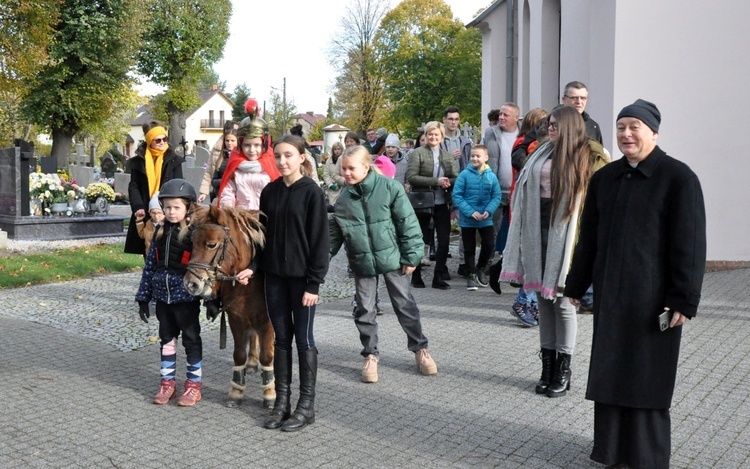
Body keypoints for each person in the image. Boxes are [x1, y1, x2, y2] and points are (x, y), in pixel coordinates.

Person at [564, 99, 706, 467]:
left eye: (634, 127)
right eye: (621, 126)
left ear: (653, 133)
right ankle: (610, 450)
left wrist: (683, 300)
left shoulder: (679, 179)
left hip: (653, 299)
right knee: (612, 373)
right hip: (612, 297)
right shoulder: (605, 178)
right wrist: (576, 286)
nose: (626, 134)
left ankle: (646, 456)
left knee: (646, 378)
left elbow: (689, 246)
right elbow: (588, 237)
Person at [500, 106, 609, 399]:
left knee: (562, 303)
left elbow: (596, 205)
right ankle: (547, 366)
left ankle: (564, 369)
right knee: (542, 302)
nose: (550, 129)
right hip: (538, 231)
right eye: (549, 124)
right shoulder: (542, 152)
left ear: (570, 127)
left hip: (569, 237)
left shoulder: (588, 156)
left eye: (556, 125)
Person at [330, 145, 437, 383]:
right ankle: (370, 355)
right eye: (343, 169)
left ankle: (420, 349)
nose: (346, 173)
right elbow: (333, 238)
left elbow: (407, 223)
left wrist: (412, 256)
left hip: (392, 259)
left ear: (366, 166)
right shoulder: (343, 201)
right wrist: (317, 264)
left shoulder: (390, 188)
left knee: (405, 305)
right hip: (362, 262)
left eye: (351, 168)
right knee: (364, 310)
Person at [259, 134, 330, 432]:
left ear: (302, 157)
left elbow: (320, 242)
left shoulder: (312, 192)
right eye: (278, 156)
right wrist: (253, 267)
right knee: (281, 340)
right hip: (274, 278)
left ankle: (306, 405)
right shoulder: (270, 191)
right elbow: (261, 236)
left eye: (288, 155)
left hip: (302, 281)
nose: (282, 161)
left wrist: (314, 284)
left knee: (304, 340)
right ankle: (282, 403)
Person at [135, 179, 203, 406]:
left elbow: (204, 268)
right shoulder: (159, 233)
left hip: (186, 298)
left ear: (188, 209)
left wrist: (211, 299)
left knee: (192, 341)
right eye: (167, 207)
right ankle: (167, 384)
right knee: (167, 341)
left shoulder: (193, 234)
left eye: (176, 207)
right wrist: (143, 297)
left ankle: (193, 387)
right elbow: (150, 267)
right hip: (163, 298)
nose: (171, 212)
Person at [507, 107, 549, 327]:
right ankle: (524, 301)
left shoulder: (530, 144)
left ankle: (531, 302)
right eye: (545, 123)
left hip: (537, 205)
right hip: (528, 203)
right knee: (532, 255)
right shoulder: (526, 145)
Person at [406, 121, 459, 289]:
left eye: (436, 134)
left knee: (444, 240)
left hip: (442, 203)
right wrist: (435, 181)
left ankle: (438, 276)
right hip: (422, 202)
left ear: (441, 137)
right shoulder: (418, 153)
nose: (433, 137)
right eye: (430, 134)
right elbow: (412, 177)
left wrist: (446, 182)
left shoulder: (447, 156)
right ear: (426, 136)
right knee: (420, 239)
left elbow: (455, 177)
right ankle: (416, 275)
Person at [124, 121, 184, 256]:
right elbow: (134, 186)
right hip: (147, 210)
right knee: (149, 245)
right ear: (150, 141)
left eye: (165, 139)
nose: (162, 142)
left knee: (168, 247)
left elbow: (178, 185)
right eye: (158, 140)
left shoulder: (174, 160)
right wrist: (138, 207)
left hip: (168, 210)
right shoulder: (138, 161)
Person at [451, 145, 501, 291]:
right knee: (469, 248)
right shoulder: (464, 175)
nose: (474, 158)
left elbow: (496, 196)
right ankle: (471, 274)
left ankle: (480, 268)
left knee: (489, 244)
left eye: (478, 156)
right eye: (472, 156)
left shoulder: (491, 176)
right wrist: (470, 212)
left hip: (485, 218)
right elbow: (457, 196)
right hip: (468, 219)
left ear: (486, 158)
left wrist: (489, 210)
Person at [216, 108, 280, 211]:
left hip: (267, 217)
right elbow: (228, 191)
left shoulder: (271, 164)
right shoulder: (235, 165)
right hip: (242, 218)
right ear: (241, 145)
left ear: (264, 145)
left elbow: (279, 193)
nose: (252, 150)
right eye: (247, 145)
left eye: (257, 145)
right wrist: (228, 207)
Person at [481, 102, 520, 266]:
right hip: (494, 189)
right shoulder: (490, 133)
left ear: (516, 118)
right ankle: (486, 264)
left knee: (515, 228)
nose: (501, 118)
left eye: (506, 115)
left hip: (516, 190)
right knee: (492, 229)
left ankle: (512, 265)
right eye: (500, 115)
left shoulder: (523, 134)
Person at [441, 106, 475, 278]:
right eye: (450, 119)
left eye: (456, 119)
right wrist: (449, 157)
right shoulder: (439, 141)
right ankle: (442, 265)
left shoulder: (466, 142)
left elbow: (471, 164)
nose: (453, 122)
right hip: (443, 187)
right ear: (444, 120)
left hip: (462, 188)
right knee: (443, 229)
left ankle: (464, 263)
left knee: (464, 227)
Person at [198, 120, 238, 203]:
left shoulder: (242, 151)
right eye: (227, 140)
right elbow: (209, 171)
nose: (230, 143)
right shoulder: (217, 149)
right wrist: (204, 192)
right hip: (219, 192)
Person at [324, 141, 346, 207]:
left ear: (342, 150)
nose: (337, 151)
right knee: (333, 208)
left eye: (339, 149)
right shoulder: (329, 161)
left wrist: (340, 182)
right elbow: (326, 174)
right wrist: (330, 185)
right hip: (333, 188)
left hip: (343, 187)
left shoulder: (344, 159)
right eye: (335, 149)